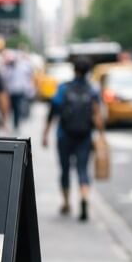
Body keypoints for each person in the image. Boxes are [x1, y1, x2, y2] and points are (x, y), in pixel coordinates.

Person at [43, 56, 105, 222]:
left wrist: (45, 133)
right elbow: (97, 115)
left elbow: (53, 111)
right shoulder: (92, 90)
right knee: (83, 169)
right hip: (84, 136)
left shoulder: (64, 88)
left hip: (64, 135)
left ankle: (66, 202)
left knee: (64, 169)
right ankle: (84, 198)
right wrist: (101, 135)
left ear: (74, 70)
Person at [2, 49, 35, 132]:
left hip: (19, 90)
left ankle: (16, 124)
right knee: (12, 108)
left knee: (17, 108)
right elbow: (5, 79)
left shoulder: (22, 67)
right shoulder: (8, 68)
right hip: (11, 91)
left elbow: (28, 77)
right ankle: (12, 123)